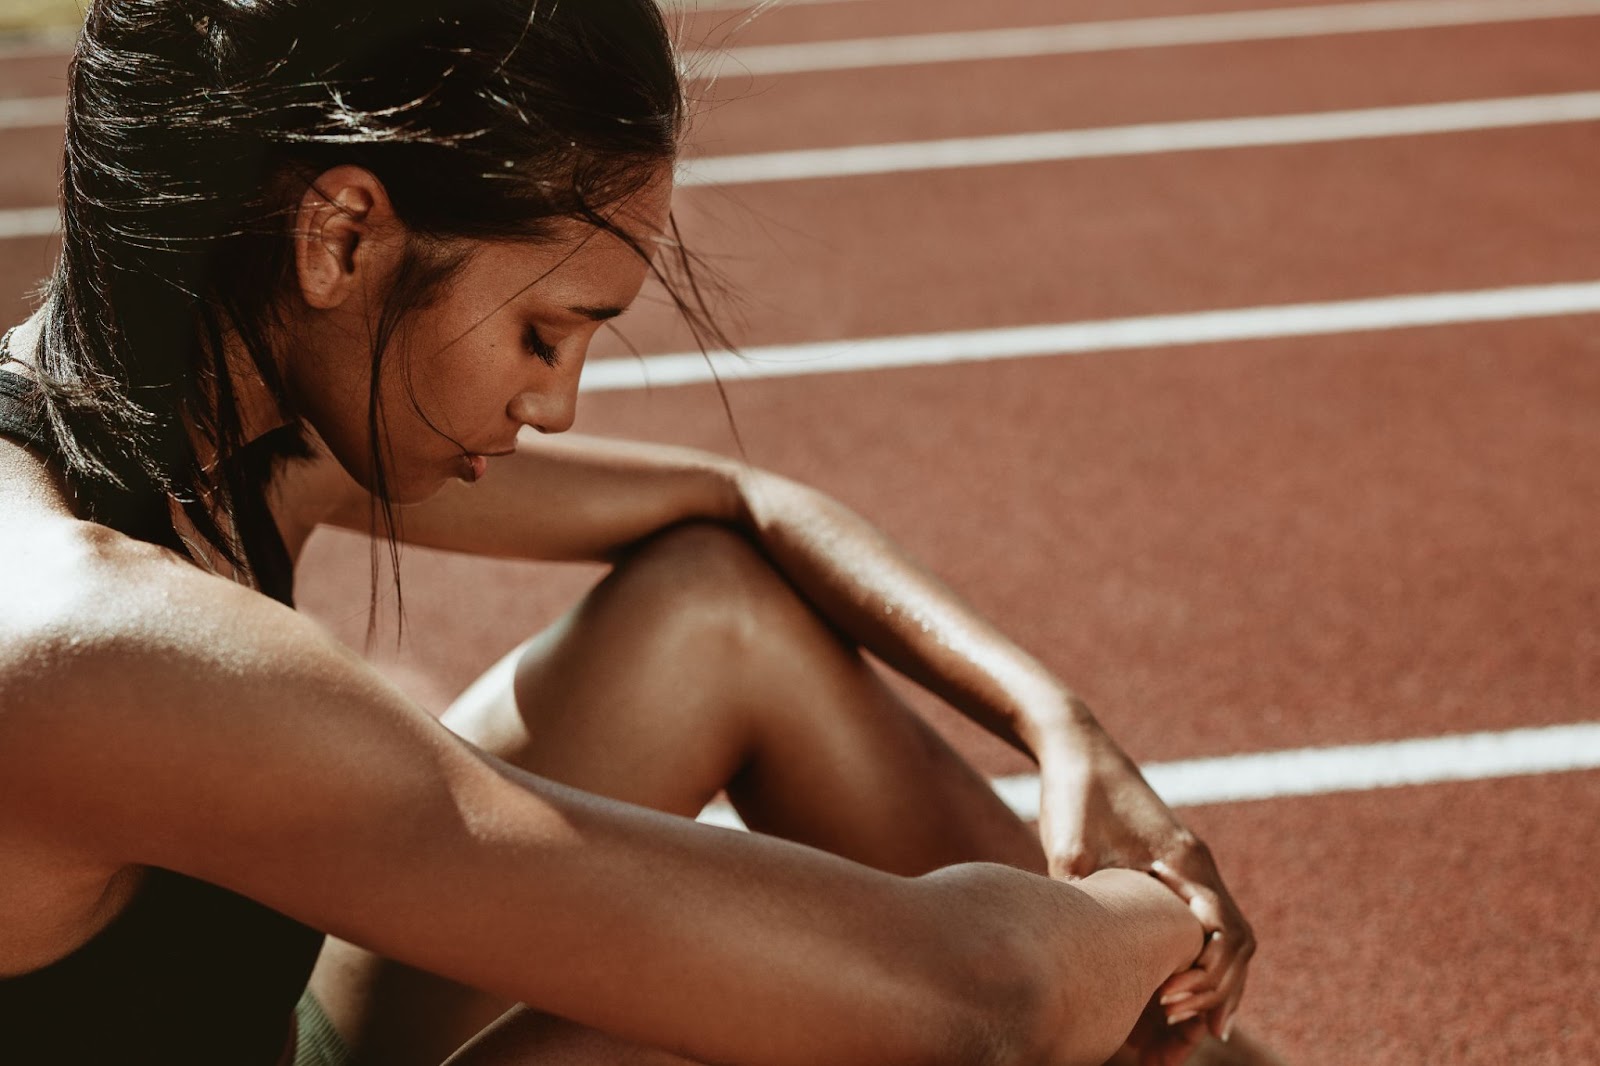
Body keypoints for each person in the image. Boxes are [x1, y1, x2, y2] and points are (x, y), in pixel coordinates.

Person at [0, 2, 1278, 1064]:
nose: (555, 405)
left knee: (712, 611)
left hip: (276, 1034)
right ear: (340, 235)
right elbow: (973, 999)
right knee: (784, 1026)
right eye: (542, 332)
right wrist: (1168, 922)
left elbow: (735, 504)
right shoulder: (90, 640)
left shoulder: (203, 422)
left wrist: (1061, 726)